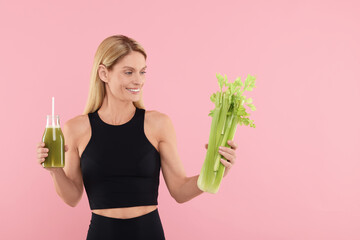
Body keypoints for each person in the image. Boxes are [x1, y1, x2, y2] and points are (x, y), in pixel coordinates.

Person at [36, 35, 238, 240]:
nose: (138, 80)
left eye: (142, 72)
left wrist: (217, 169)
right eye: (128, 72)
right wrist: (55, 171)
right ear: (104, 73)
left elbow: (179, 190)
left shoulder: (158, 124)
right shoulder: (75, 129)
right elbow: (72, 198)